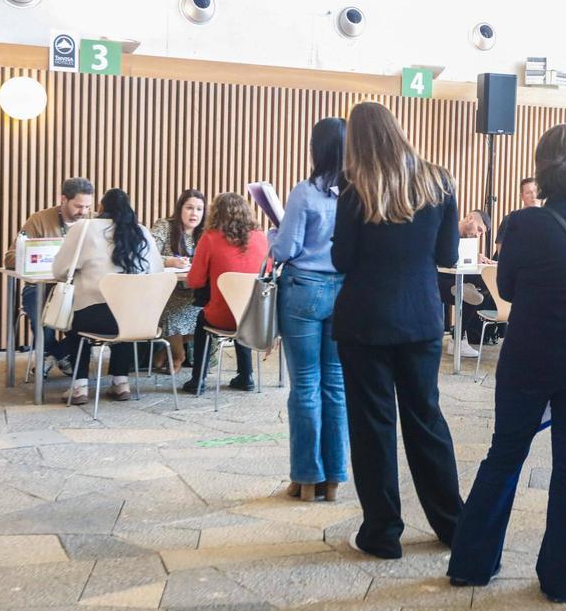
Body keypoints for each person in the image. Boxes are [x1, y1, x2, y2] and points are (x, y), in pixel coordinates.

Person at [447, 124, 566, 601]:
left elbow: (505, 290)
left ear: (543, 167)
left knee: (505, 452)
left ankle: (472, 563)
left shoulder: (522, 222)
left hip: (530, 354)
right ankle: (561, 580)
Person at [331, 101, 464, 560]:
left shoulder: (353, 186)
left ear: (357, 139)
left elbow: (341, 260)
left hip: (364, 319)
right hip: (422, 318)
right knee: (426, 419)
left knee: (372, 426)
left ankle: (383, 533)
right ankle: (453, 524)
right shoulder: (439, 180)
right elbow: (447, 253)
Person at [269, 117, 349, 503]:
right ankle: (333, 479)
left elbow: (285, 250)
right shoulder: (360, 193)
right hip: (346, 292)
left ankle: (305, 478)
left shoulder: (304, 192)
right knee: (335, 386)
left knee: (304, 385)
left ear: (315, 149)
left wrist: (273, 235)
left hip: (304, 290)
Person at [53, 188, 163, 405]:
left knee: (75, 325)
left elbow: (59, 271)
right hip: (135, 319)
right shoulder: (141, 232)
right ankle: (121, 382)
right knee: (123, 311)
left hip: (93, 316)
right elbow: (157, 271)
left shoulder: (84, 229)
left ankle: (80, 387)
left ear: (101, 208)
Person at [5, 177, 95, 376]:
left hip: (82, 288)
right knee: (36, 305)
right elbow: (10, 258)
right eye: (78, 206)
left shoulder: (93, 222)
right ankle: (60, 355)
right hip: (42, 287)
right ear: (63, 199)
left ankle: (50, 356)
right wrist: (37, 256)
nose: (83, 212)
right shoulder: (39, 220)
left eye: (87, 206)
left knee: (92, 315)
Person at [183, 193, 269, 395]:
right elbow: (267, 275)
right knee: (242, 311)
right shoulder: (261, 238)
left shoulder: (210, 238)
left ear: (215, 213)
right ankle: (246, 376)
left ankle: (198, 380)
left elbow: (194, 281)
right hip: (255, 317)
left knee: (203, 320)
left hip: (221, 317)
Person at [149, 190, 206, 373]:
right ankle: (177, 354)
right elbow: (148, 253)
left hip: (195, 292)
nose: (194, 214)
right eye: (189, 208)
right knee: (172, 314)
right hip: (167, 293)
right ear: (180, 208)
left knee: (204, 316)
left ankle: (169, 352)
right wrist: (168, 261)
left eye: (199, 209)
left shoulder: (206, 233)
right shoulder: (164, 226)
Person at [440, 208, 496, 356]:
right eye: (479, 230)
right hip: (436, 279)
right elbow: (442, 259)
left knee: (483, 284)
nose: (478, 235)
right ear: (470, 218)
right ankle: (458, 339)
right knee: (471, 294)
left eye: (481, 233)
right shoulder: (446, 229)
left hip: (455, 277)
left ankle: (458, 339)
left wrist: (477, 258)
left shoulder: (467, 241)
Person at [494, 176, 540, 252]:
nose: (533, 195)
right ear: (521, 196)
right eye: (528, 192)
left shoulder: (548, 220)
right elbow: (501, 249)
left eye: (536, 191)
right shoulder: (510, 219)